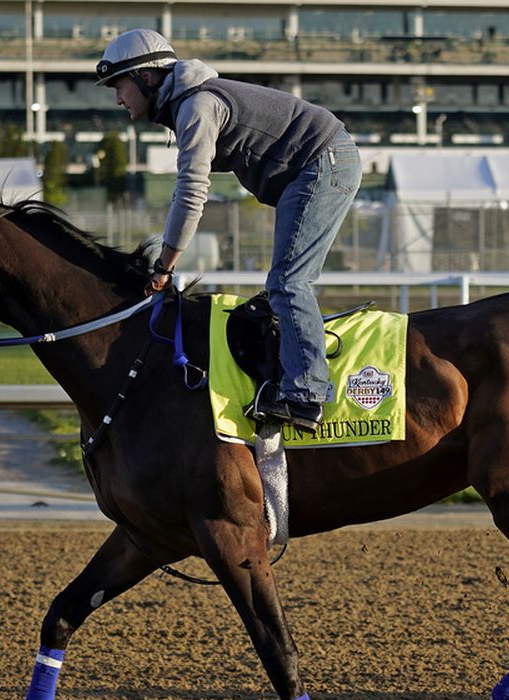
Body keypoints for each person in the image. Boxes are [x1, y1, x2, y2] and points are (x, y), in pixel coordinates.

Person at [95, 29, 362, 433]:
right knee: (281, 286)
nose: (118, 99)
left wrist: (164, 265)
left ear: (147, 77)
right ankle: (283, 373)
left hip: (322, 162)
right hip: (315, 164)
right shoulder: (187, 104)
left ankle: (306, 395)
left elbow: (190, 193)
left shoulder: (196, 107)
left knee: (289, 283)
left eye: (120, 86)